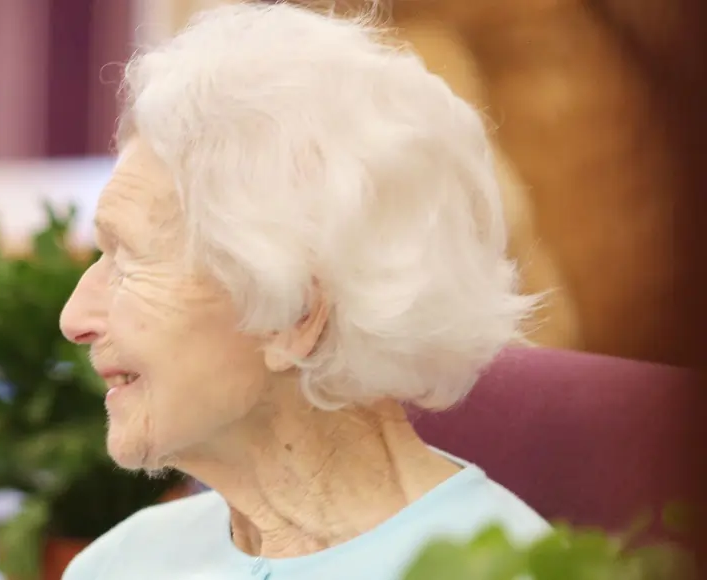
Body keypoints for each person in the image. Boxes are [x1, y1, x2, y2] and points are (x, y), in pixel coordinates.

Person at [57, 4, 550, 579]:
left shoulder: (501, 571)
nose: (75, 317)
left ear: (295, 311)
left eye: (129, 260)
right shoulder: (120, 564)